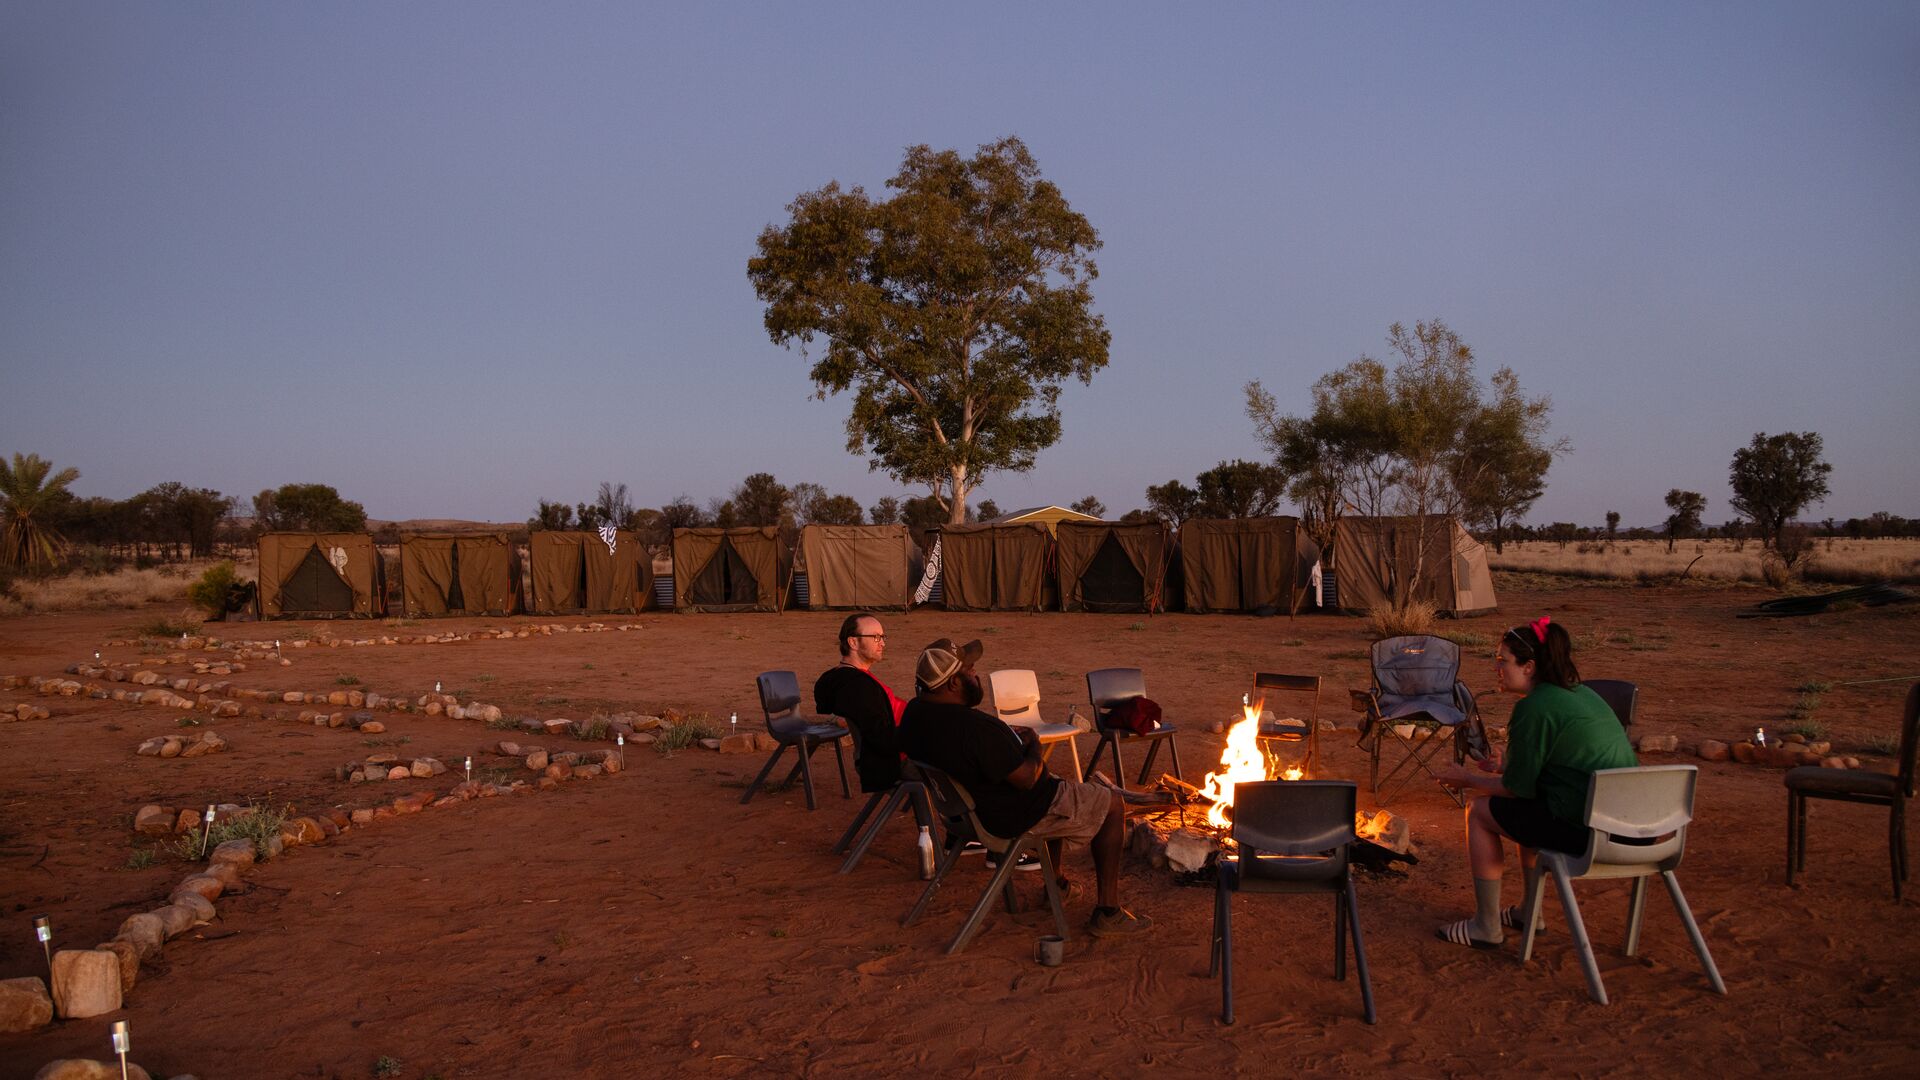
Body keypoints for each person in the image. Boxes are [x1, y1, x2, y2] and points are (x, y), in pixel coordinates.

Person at [899, 637, 1151, 938]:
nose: (976, 674)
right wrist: (1033, 743)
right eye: (970, 669)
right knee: (1111, 803)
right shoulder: (971, 728)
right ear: (953, 683)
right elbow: (1027, 779)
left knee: (1058, 783)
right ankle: (1108, 912)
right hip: (1013, 815)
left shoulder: (915, 714)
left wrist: (1004, 740)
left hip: (968, 815)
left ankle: (1056, 886)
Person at [1431, 615, 1637, 949]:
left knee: (1480, 811)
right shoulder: (1582, 694)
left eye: (1502, 661)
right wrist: (1509, 765)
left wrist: (1466, 779)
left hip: (1594, 834)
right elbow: (1558, 765)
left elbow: (1518, 789)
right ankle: (1530, 910)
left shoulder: (1535, 707)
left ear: (1528, 667)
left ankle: (1486, 926)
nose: (1496, 668)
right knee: (1525, 810)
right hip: (1638, 829)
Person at [813, 613, 909, 794]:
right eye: (875, 637)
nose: (882, 643)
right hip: (900, 759)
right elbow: (882, 738)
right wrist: (924, 736)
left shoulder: (849, 678)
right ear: (853, 643)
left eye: (882, 637)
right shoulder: (856, 686)